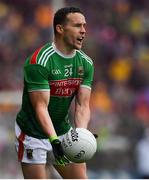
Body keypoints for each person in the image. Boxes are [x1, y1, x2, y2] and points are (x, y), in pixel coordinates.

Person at [15, 6, 94, 179]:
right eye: (78, 26)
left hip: (63, 131)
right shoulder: (40, 61)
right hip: (32, 133)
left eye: (84, 26)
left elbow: (82, 105)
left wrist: (80, 135)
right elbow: (40, 107)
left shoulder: (86, 63)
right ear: (60, 29)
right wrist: (53, 140)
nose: (83, 31)